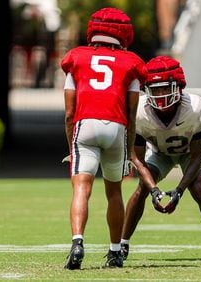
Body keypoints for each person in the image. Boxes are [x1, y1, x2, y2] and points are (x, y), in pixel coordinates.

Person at [121, 55, 201, 262]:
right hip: (159, 154)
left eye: (165, 88)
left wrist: (179, 190)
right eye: (155, 89)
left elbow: (196, 156)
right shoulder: (139, 111)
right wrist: (154, 190)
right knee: (142, 189)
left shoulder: (195, 108)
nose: (160, 95)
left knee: (197, 188)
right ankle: (122, 245)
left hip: (188, 155)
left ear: (178, 87)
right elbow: (136, 159)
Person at [60, 7, 147, 270]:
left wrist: (71, 147)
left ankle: (77, 242)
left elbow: (68, 113)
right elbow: (132, 115)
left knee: (81, 189)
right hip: (117, 128)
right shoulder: (131, 62)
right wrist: (130, 149)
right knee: (114, 192)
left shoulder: (76, 58)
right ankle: (115, 251)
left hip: (84, 124)